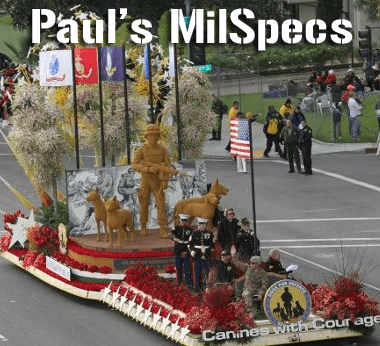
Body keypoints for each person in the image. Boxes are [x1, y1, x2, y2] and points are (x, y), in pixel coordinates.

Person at [132, 123, 178, 238]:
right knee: (144, 203)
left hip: (158, 180)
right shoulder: (141, 150)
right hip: (146, 179)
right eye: (150, 136)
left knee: (161, 204)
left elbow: (167, 167)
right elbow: (134, 165)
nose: (153, 138)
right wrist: (148, 169)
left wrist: (165, 181)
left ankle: (162, 228)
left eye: (155, 136)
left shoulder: (163, 150)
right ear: (146, 137)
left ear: (158, 137)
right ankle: (143, 226)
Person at [231, 246, 269, 318]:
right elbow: (237, 263)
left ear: (257, 264)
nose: (251, 264)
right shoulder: (247, 268)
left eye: (253, 263)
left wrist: (260, 293)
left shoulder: (262, 272)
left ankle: (261, 311)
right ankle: (250, 312)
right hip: (248, 289)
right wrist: (233, 256)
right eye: (251, 263)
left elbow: (265, 283)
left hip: (258, 289)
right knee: (247, 294)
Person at [188, 217, 214, 292]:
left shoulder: (209, 233)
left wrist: (206, 250)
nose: (202, 226)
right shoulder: (194, 233)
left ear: (205, 225)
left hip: (206, 254)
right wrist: (192, 251)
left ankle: (207, 287)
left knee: (207, 271)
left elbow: (212, 245)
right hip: (197, 254)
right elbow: (189, 244)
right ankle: (198, 288)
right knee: (197, 271)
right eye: (201, 225)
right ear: (198, 225)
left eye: (204, 225)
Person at [171, 214, 193, 288]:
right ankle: (179, 282)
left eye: (185, 221)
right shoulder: (176, 228)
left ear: (186, 221)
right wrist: (174, 239)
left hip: (186, 250)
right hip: (178, 250)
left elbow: (191, 241)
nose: (183, 222)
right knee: (178, 267)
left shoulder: (190, 230)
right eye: (182, 221)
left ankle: (189, 283)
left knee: (187, 268)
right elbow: (170, 235)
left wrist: (187, 252)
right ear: (180, 221)